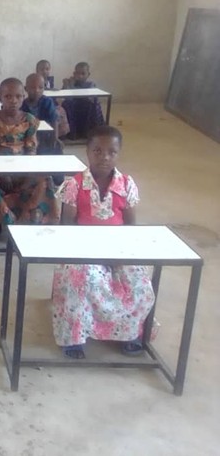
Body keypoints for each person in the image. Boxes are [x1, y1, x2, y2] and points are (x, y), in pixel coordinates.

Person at [52, 126, 155, 359]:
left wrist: (121, 254)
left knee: (139, 282)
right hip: (83, 249)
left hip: (117, 249)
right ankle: (74, 336)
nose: (104, 157)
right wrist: (88, 252)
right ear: (87, 151)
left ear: (119, 154)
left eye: (112, 152)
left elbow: (130, 227)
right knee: (84, 277)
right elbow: (67, 227)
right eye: (97, 151)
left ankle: (129, 333)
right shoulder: (75, 184)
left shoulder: (126, 184)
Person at [0, 78, 59, 243]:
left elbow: (31, 150)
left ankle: (31, 219)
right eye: (8, 96)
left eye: (18, 96)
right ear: (0, 97)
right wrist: (2, 171)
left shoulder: (29, 120)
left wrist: (23, 171)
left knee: (45, 178)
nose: (13, 101)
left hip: (22, 168)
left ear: (23, 97)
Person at [61, 61, 104, 140]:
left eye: (83, 73)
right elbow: (65, 96)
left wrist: (72, 86)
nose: (80, 76)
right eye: (77, 73)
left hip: (86, 106)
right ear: (74, 73)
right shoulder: (70, 82)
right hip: (74, 106)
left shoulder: (91, 84)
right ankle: (72, 132)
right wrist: (66, 85)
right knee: (66, 104)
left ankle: (89, 131)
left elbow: (87, 97)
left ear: (88, 74)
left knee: (93, 104)